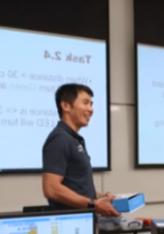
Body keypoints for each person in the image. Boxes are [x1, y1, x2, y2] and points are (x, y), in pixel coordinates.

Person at [42, 83, 118, 217]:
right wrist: (94, 204)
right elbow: (51, 189)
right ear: (65, 106)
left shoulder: (74, 139)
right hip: (70, 225)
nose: (91, 109)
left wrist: (99, 198)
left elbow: (76, 186)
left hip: (85, 222)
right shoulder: (60, 139)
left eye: (91, 104)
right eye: (85, 103)